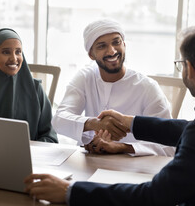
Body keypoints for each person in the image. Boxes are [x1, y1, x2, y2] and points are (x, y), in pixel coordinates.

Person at [24, 22, 195, 205]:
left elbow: (153, 197)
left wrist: (71, 191)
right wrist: (132, 123)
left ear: (189, 69)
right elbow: (191, 130)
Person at [52, 19, 173, 156]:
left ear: (124, 45)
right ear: (91, 54)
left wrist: (121, 147)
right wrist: (95, 123)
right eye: (102, 46)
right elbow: (59, 120)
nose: (112, 51)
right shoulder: (85, 77)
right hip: (89, 161)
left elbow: (169, 145)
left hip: (133, 166)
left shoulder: (147, 87)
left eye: (116, 42)